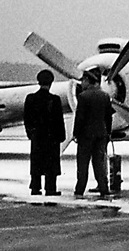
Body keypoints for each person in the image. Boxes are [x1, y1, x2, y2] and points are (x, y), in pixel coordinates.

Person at [73, 68, 114, 199]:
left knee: (83, 164)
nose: (81, 84)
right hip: (101, 134)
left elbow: (80, 117)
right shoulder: (105, 96)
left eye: (83, 81)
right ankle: (104, 189)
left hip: (86, 135)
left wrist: (75, 133)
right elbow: (109, 117)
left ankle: (80, 190)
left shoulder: (83, 97)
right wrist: (108, 132)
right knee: (99, 164)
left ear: (87, 80)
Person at [24, 69, 65, 196]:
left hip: (37, 136)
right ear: (51, 82)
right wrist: (61, 136)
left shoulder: (30, 98)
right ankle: (50, 188)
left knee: (36, 162)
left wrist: (30, 133)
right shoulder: (55, 100)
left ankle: (35, 187)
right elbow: (59, 119)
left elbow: (27, 118)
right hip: (52, 137)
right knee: (51, 164)